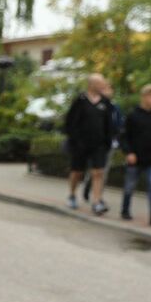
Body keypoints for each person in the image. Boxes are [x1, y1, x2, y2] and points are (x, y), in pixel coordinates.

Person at [65, 73, 115, 214]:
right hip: (80, 144)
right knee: (77, 172)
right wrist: (75, 140)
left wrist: (108, 141)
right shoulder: (80, 100)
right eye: (100, 83)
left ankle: (97, 201)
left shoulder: (105, 102)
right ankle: (72, 195)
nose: (102, 85)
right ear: (92, 84)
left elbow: (109, 124)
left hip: (99, 145)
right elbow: (70, 122)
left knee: (98, 172)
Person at [119, 83, 151, 224]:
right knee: (129, 186)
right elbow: (124, 137)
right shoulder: (133, 115)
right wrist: (129, 152)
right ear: (144, 97)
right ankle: (125, 210)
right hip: (135, 158)